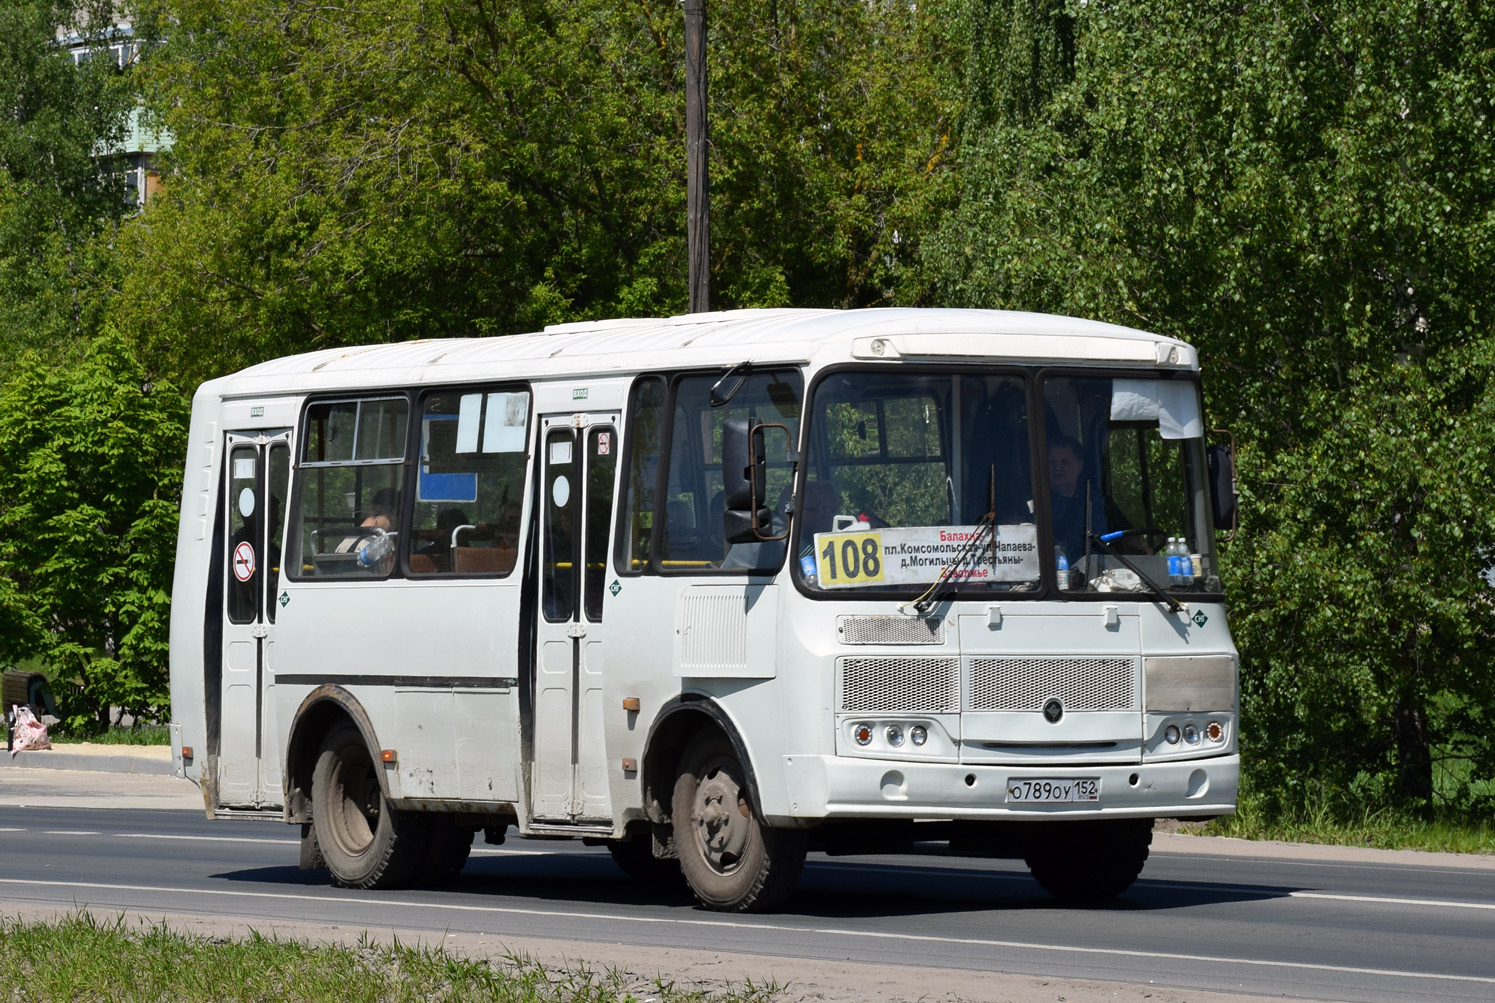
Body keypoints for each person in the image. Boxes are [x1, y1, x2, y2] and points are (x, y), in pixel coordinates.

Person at [1048, 437, 1089, 565]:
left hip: (1098, 577)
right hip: (1055, 580)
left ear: (1079, 466)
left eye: (1064, 462)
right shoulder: (1034, 506)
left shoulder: (1097, 500)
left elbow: (1126, 535)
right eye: (1052, 462)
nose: (1057, 467)